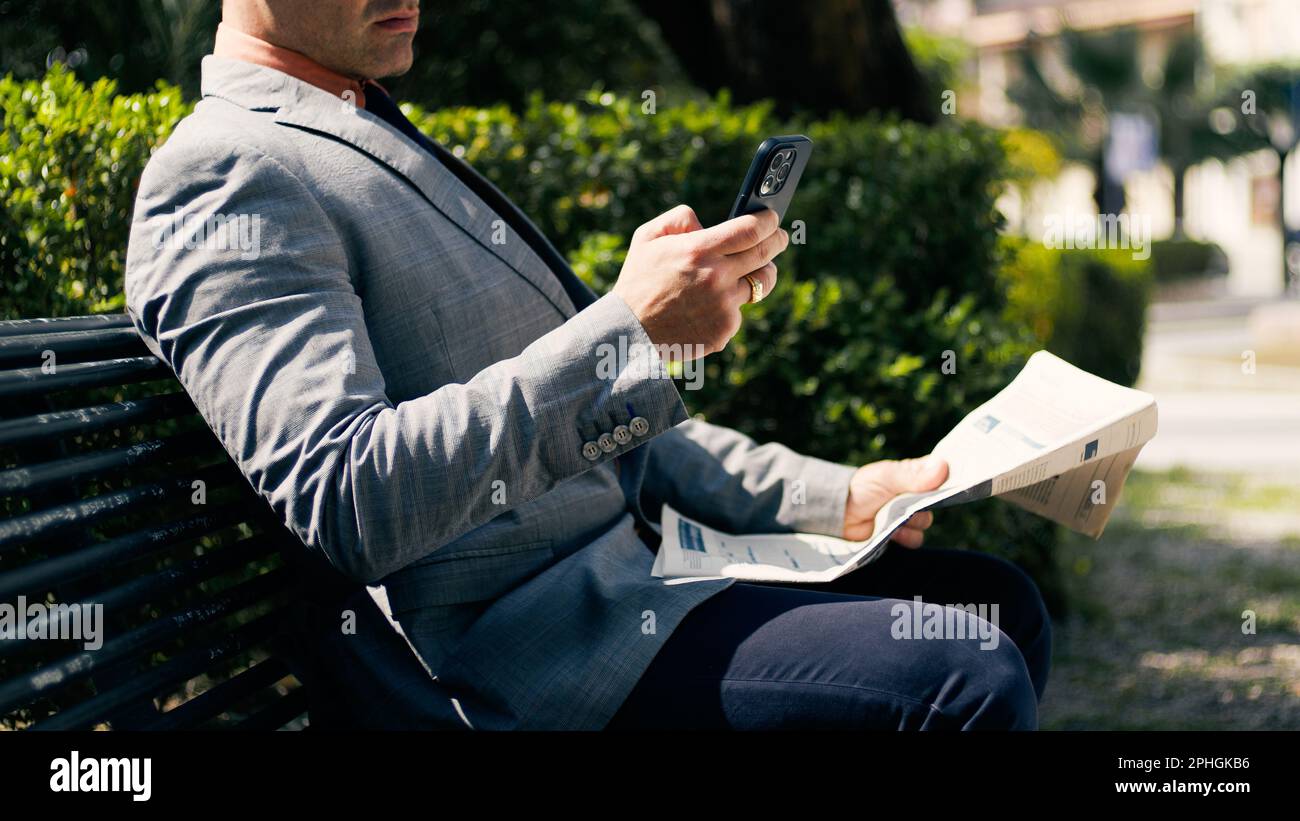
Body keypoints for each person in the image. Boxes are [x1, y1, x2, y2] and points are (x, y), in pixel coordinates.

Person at [124, 0, 1049, 730]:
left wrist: (832, 493)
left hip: (632, 585)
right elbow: (350, 494)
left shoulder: (360, 123)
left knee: (993, 602)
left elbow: (610, 438)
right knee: (959, 679)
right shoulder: (227, 174)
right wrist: (623, 334)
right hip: (526, 668)